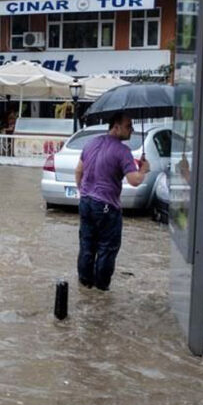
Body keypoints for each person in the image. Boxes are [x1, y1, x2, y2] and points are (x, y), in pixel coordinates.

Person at [74, 112, 150, 291]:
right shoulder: (123, 151)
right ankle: (101, 288)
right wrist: (144, 170)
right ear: (116, 127)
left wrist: (82, 192)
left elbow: (78, 171)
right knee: (107, 248)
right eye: (128, 126)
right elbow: (134, 180)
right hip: (107, 206)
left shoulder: (91, 143)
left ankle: (85, 284)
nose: (132, 129)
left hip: (86, 202)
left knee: (87, 244)